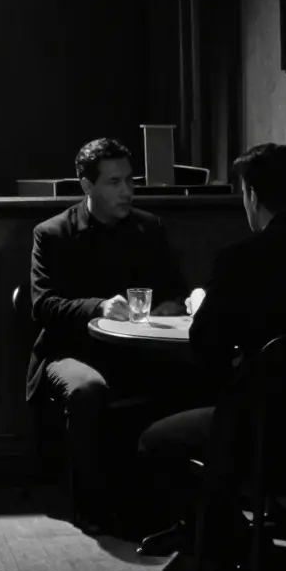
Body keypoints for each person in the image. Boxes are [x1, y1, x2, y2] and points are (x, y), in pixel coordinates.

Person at [134, 143, 286, 563]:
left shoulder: (241, 260)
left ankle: (220, 538)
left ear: (249, 194)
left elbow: (205, 349)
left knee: (156, 440)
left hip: (257, 430)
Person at [28, 137, 196, 532]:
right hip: (70, 349)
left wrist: (173, 304)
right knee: (88, 390)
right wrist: (98, 306)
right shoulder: (53, 234)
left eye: (130, 181)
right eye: (114, 182)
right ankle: (92, 507)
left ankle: (171, 506)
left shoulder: (147, 227)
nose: (127, 191)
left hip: (138, 349)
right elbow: (43, 305)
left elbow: (176, 288)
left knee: (194, 378)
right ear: (87, 186)